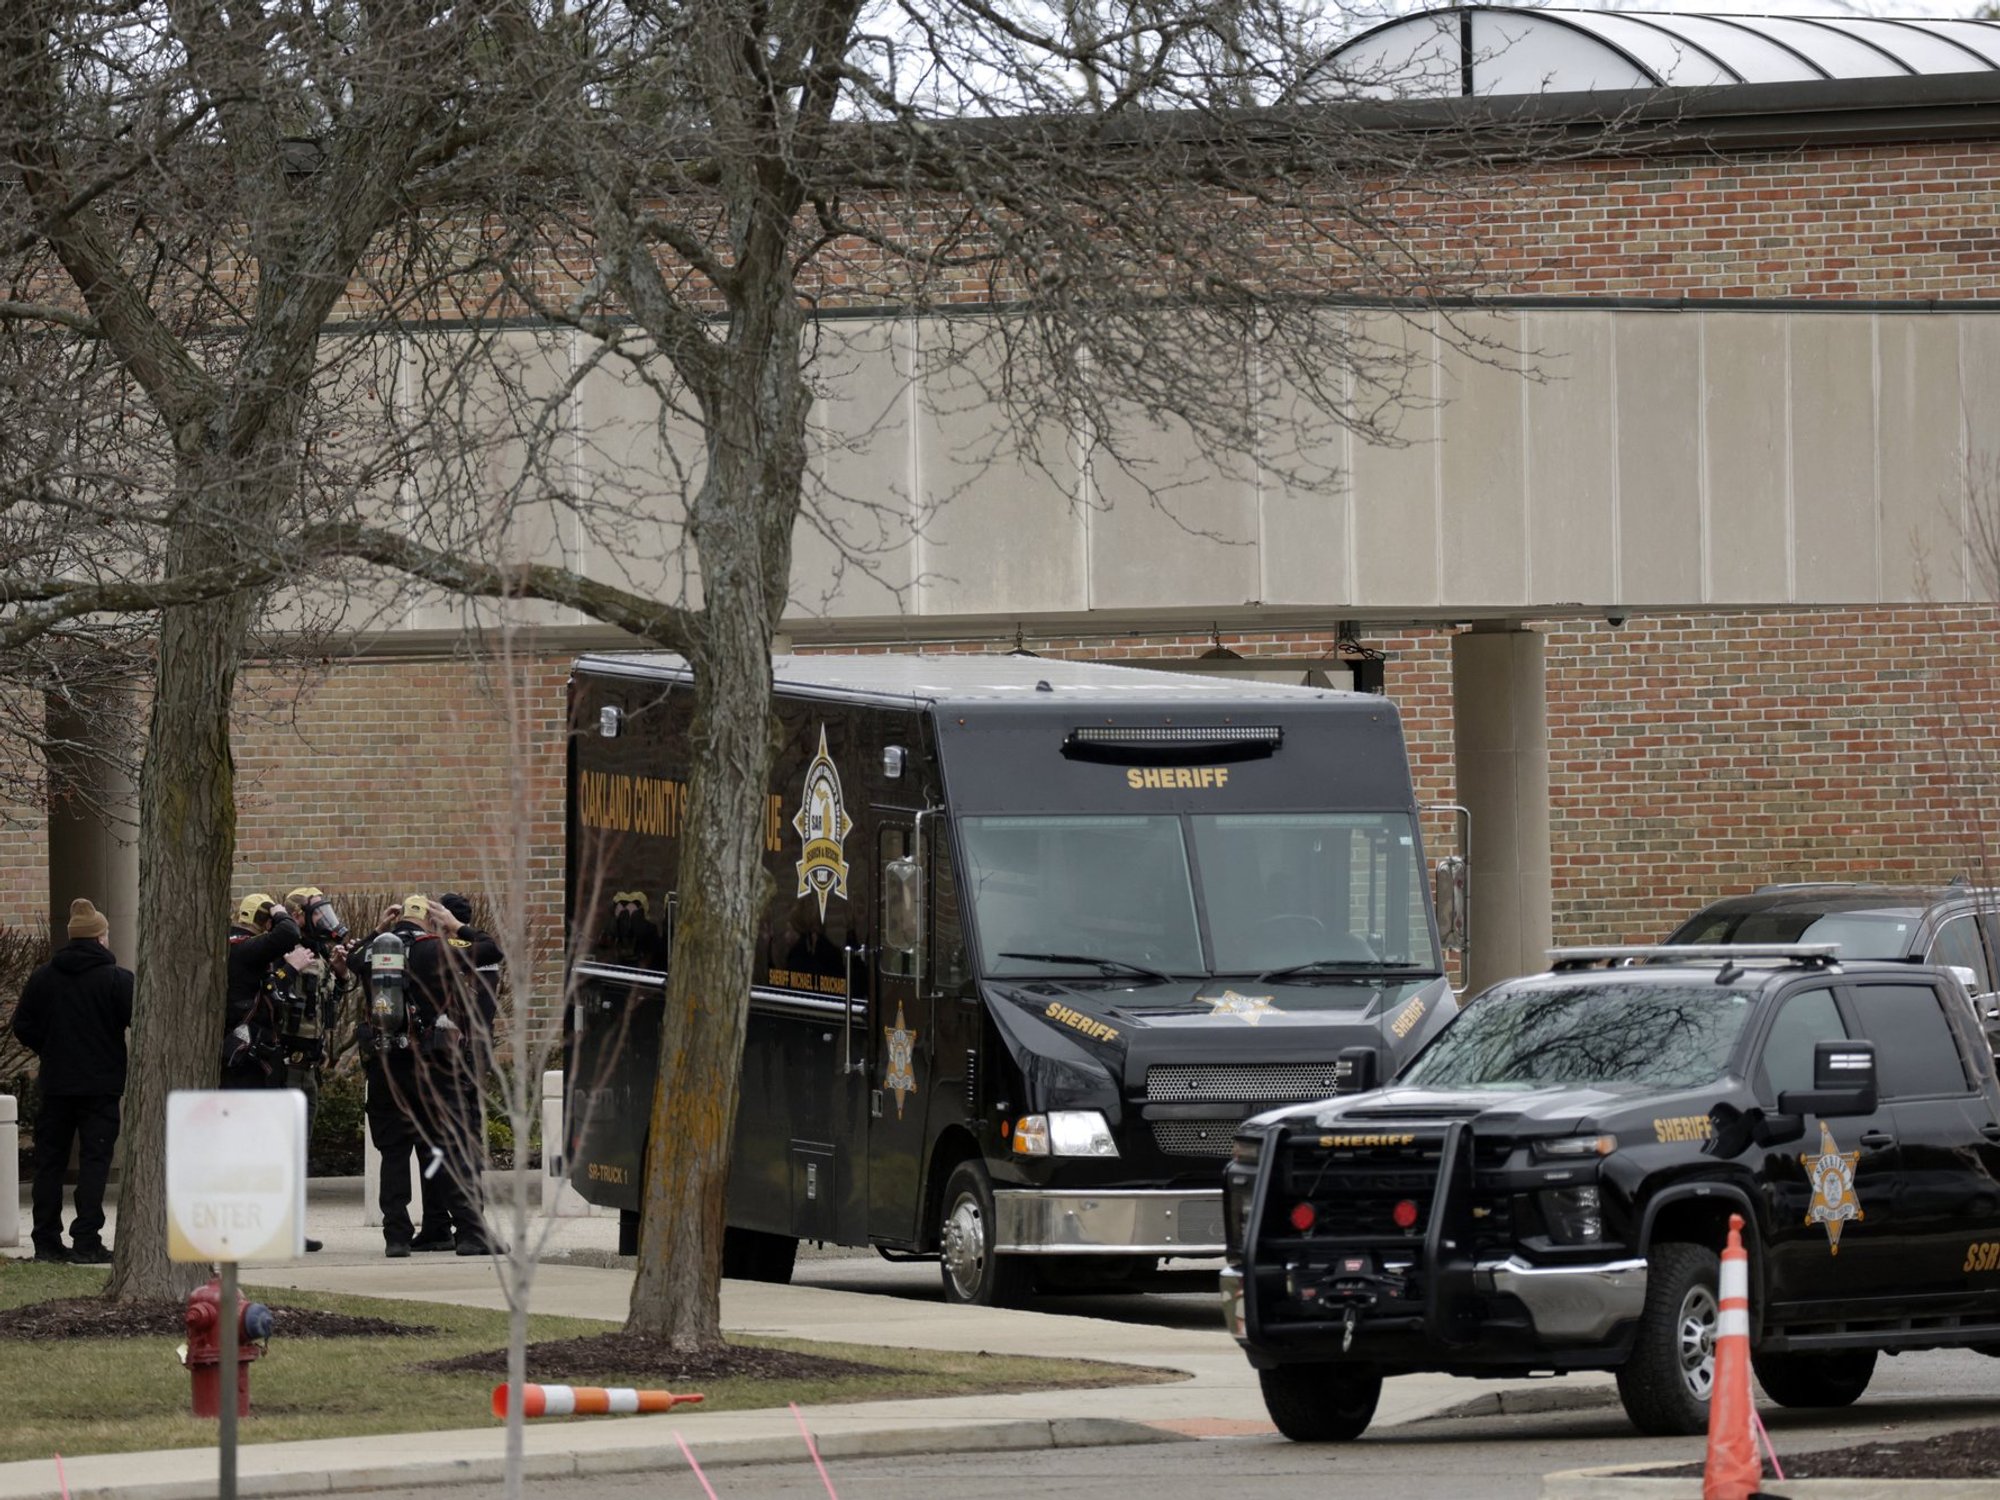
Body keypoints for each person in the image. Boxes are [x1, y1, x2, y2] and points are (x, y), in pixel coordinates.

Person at [9, 898, 134, 1265]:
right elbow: (134, 1020)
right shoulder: (117, 980)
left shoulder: (43, 977)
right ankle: (86, 1240)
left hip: (57, 1084)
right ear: (99, 938)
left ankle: (46, 1241)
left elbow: (23, 1026)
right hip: (101, 1086)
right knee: (95, 1163)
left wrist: (49, 1048)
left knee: (50, 1163)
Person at [223, 892, 300, 1089]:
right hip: (247, 1055)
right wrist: (281, 914)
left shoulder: (228, 945)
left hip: (237, 1046)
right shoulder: (246, 948)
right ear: (267, 923)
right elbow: (289, 934)